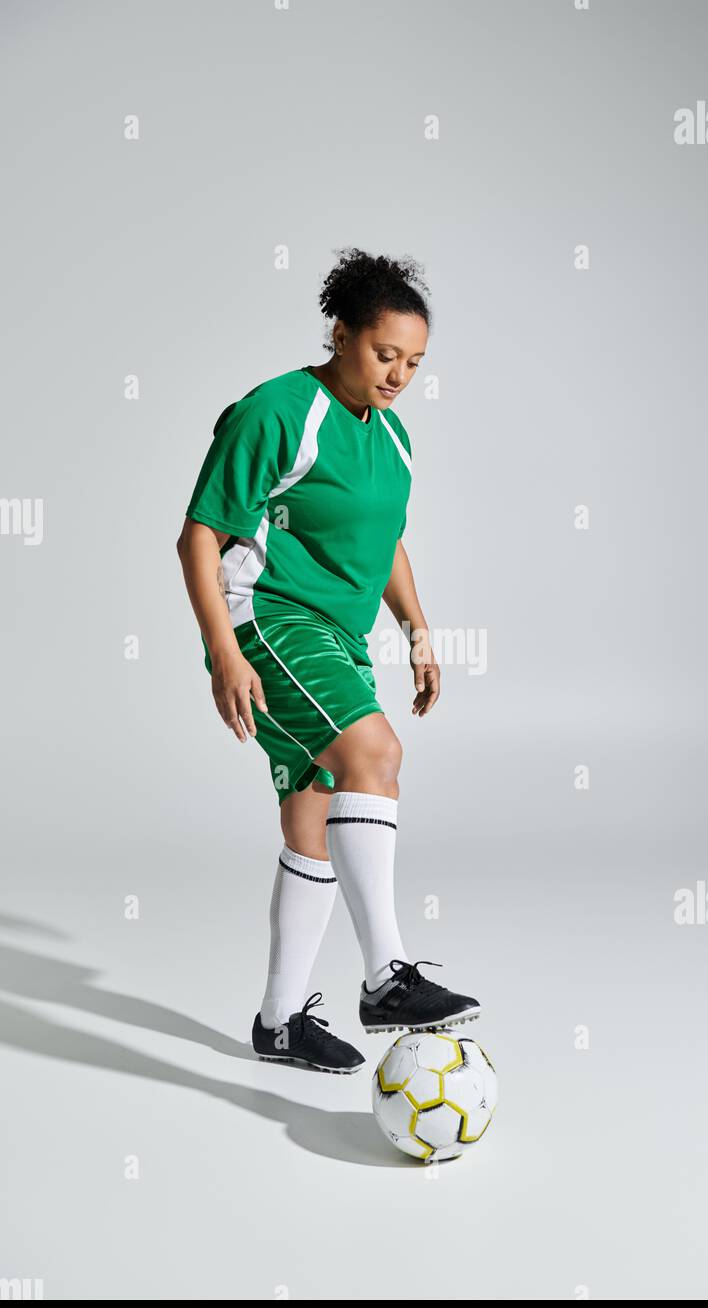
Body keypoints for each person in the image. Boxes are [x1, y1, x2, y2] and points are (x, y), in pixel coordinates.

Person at [176, 248, 480, 1074]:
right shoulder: (278, 410)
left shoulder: (393, 438)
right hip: (269, 616)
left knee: (314, 815)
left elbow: (381, 543)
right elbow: (199, 534)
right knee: (373, 754)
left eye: (414, 363)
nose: (398, 375)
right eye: (385, 354)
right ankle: (385, 976)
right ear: (341, 334)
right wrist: (224, 654)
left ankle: (279, 1021)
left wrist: (416, 628)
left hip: (339, 637)